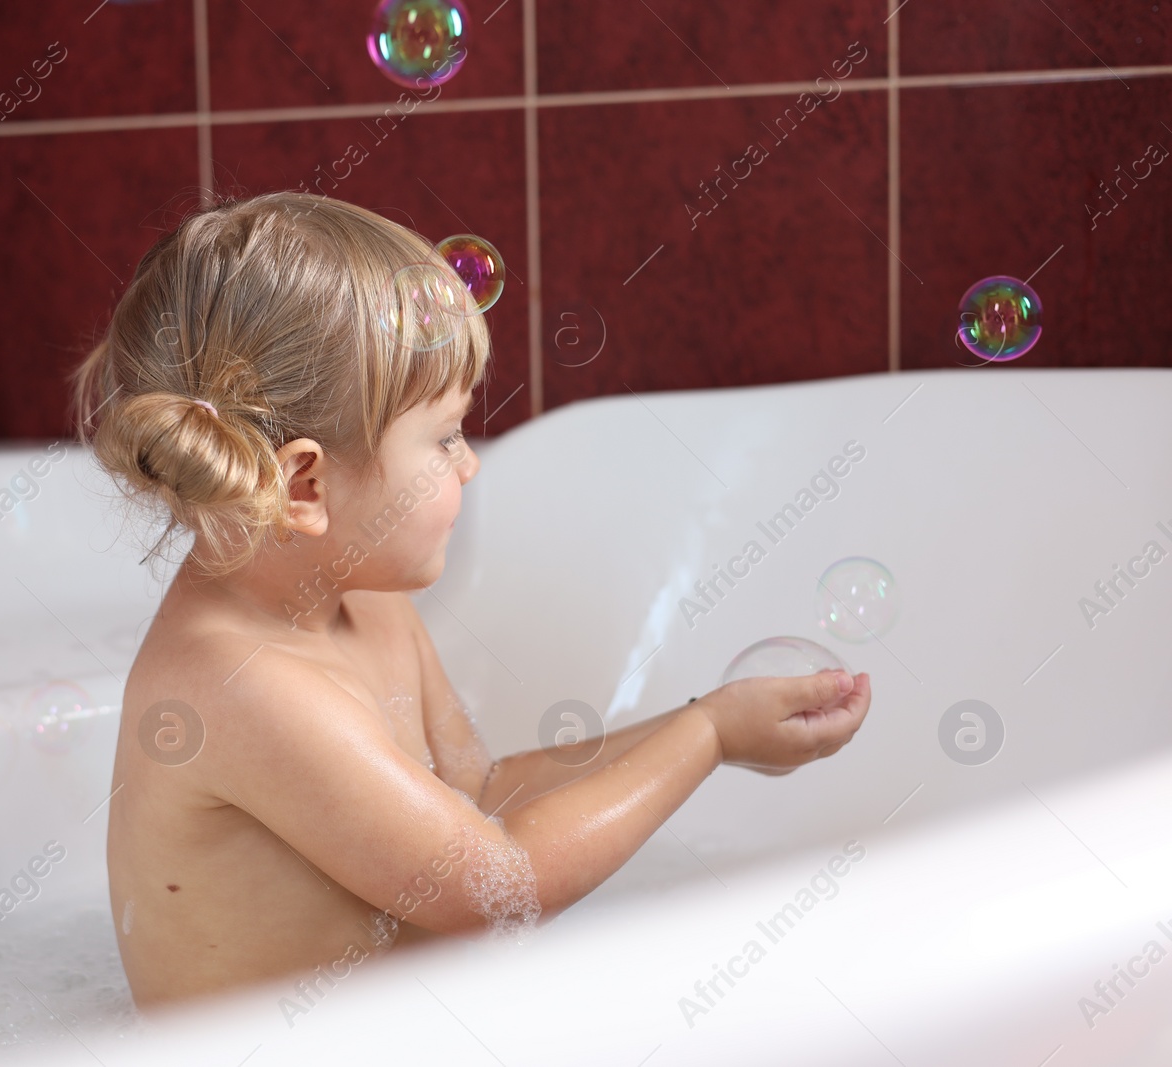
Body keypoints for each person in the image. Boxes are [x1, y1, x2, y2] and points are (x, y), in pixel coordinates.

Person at [72, 191, 872, 1011]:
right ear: (305, 483)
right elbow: (499, 890)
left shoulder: (359, 597)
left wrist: (709, 718)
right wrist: (705, 738)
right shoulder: (242, 684)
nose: (469, 464)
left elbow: (477, 793)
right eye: (446, 435)